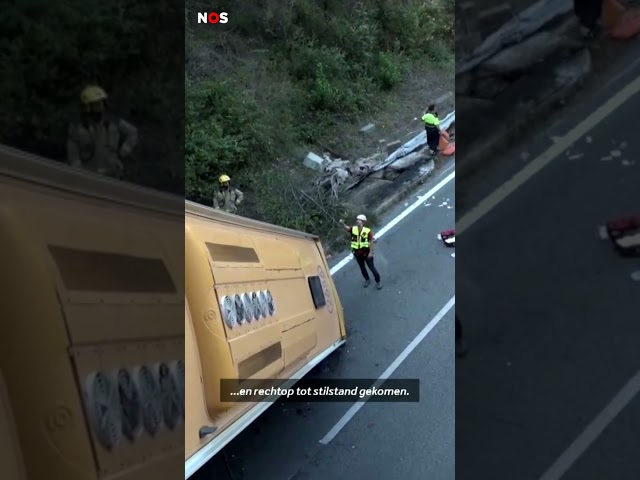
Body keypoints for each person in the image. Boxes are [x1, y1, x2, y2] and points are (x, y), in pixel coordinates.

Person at [66, 85, 138, 178]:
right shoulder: (77, 127)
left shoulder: (113, 122)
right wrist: (78, 171)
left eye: (102, 104)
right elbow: (73, 155)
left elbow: (133, 132)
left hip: (112, 174)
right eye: (97, 105)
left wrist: (125, 149)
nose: (101, 107)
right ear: (87, 107)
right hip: (88, 175)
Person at [339, 214, 382, 290]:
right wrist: (342, 223)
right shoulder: (354, 229)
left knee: (372, 268)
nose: (357, 221)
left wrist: (371, 253)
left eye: (359, 220)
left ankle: (378, 281)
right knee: (362, 268)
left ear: (363, 222)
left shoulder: (367, 231)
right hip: (357, 254)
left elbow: (372, 241)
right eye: (357, 219)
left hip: (366, 252)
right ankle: (367, 280)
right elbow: (347, 228)